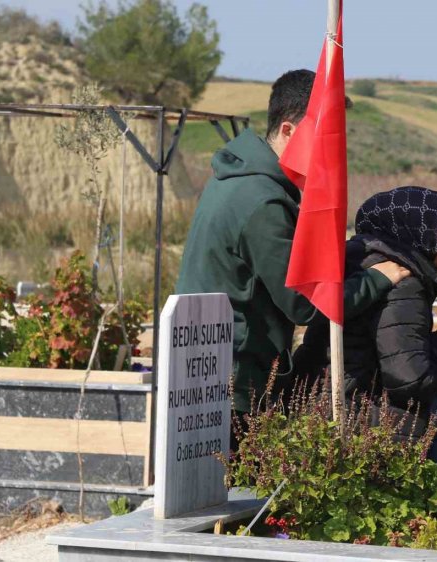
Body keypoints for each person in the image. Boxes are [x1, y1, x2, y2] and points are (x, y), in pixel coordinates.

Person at [175, 69, 409, 421]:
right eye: (325, 136)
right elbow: (306, 304)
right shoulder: (264, 203)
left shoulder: (241, 179)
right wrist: (377, 278)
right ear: (288, 130)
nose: (333, 151)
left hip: (209, 372)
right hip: (236, 387)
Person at [299, 186, 437, 468]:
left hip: (317, 406)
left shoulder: (360, 262)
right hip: (356, 417)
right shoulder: (403, 282)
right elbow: (411, 380)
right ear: (415, 230)